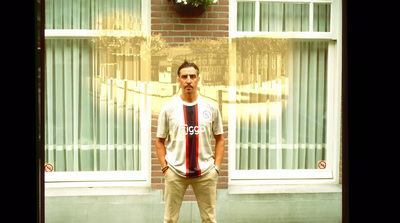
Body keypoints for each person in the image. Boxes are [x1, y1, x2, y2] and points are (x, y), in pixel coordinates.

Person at [156, 60, 225, 223]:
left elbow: (220, 139)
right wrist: (166, 169)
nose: (188, 80)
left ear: (198, 79)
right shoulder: (168, 108)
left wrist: (216, 168)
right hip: (175, 172)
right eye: (184, 76)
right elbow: (159, 141)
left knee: (209, 219)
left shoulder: (211, 108)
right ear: (179, 80)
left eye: (192, 76)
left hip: (206, 173)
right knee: (170, 220)